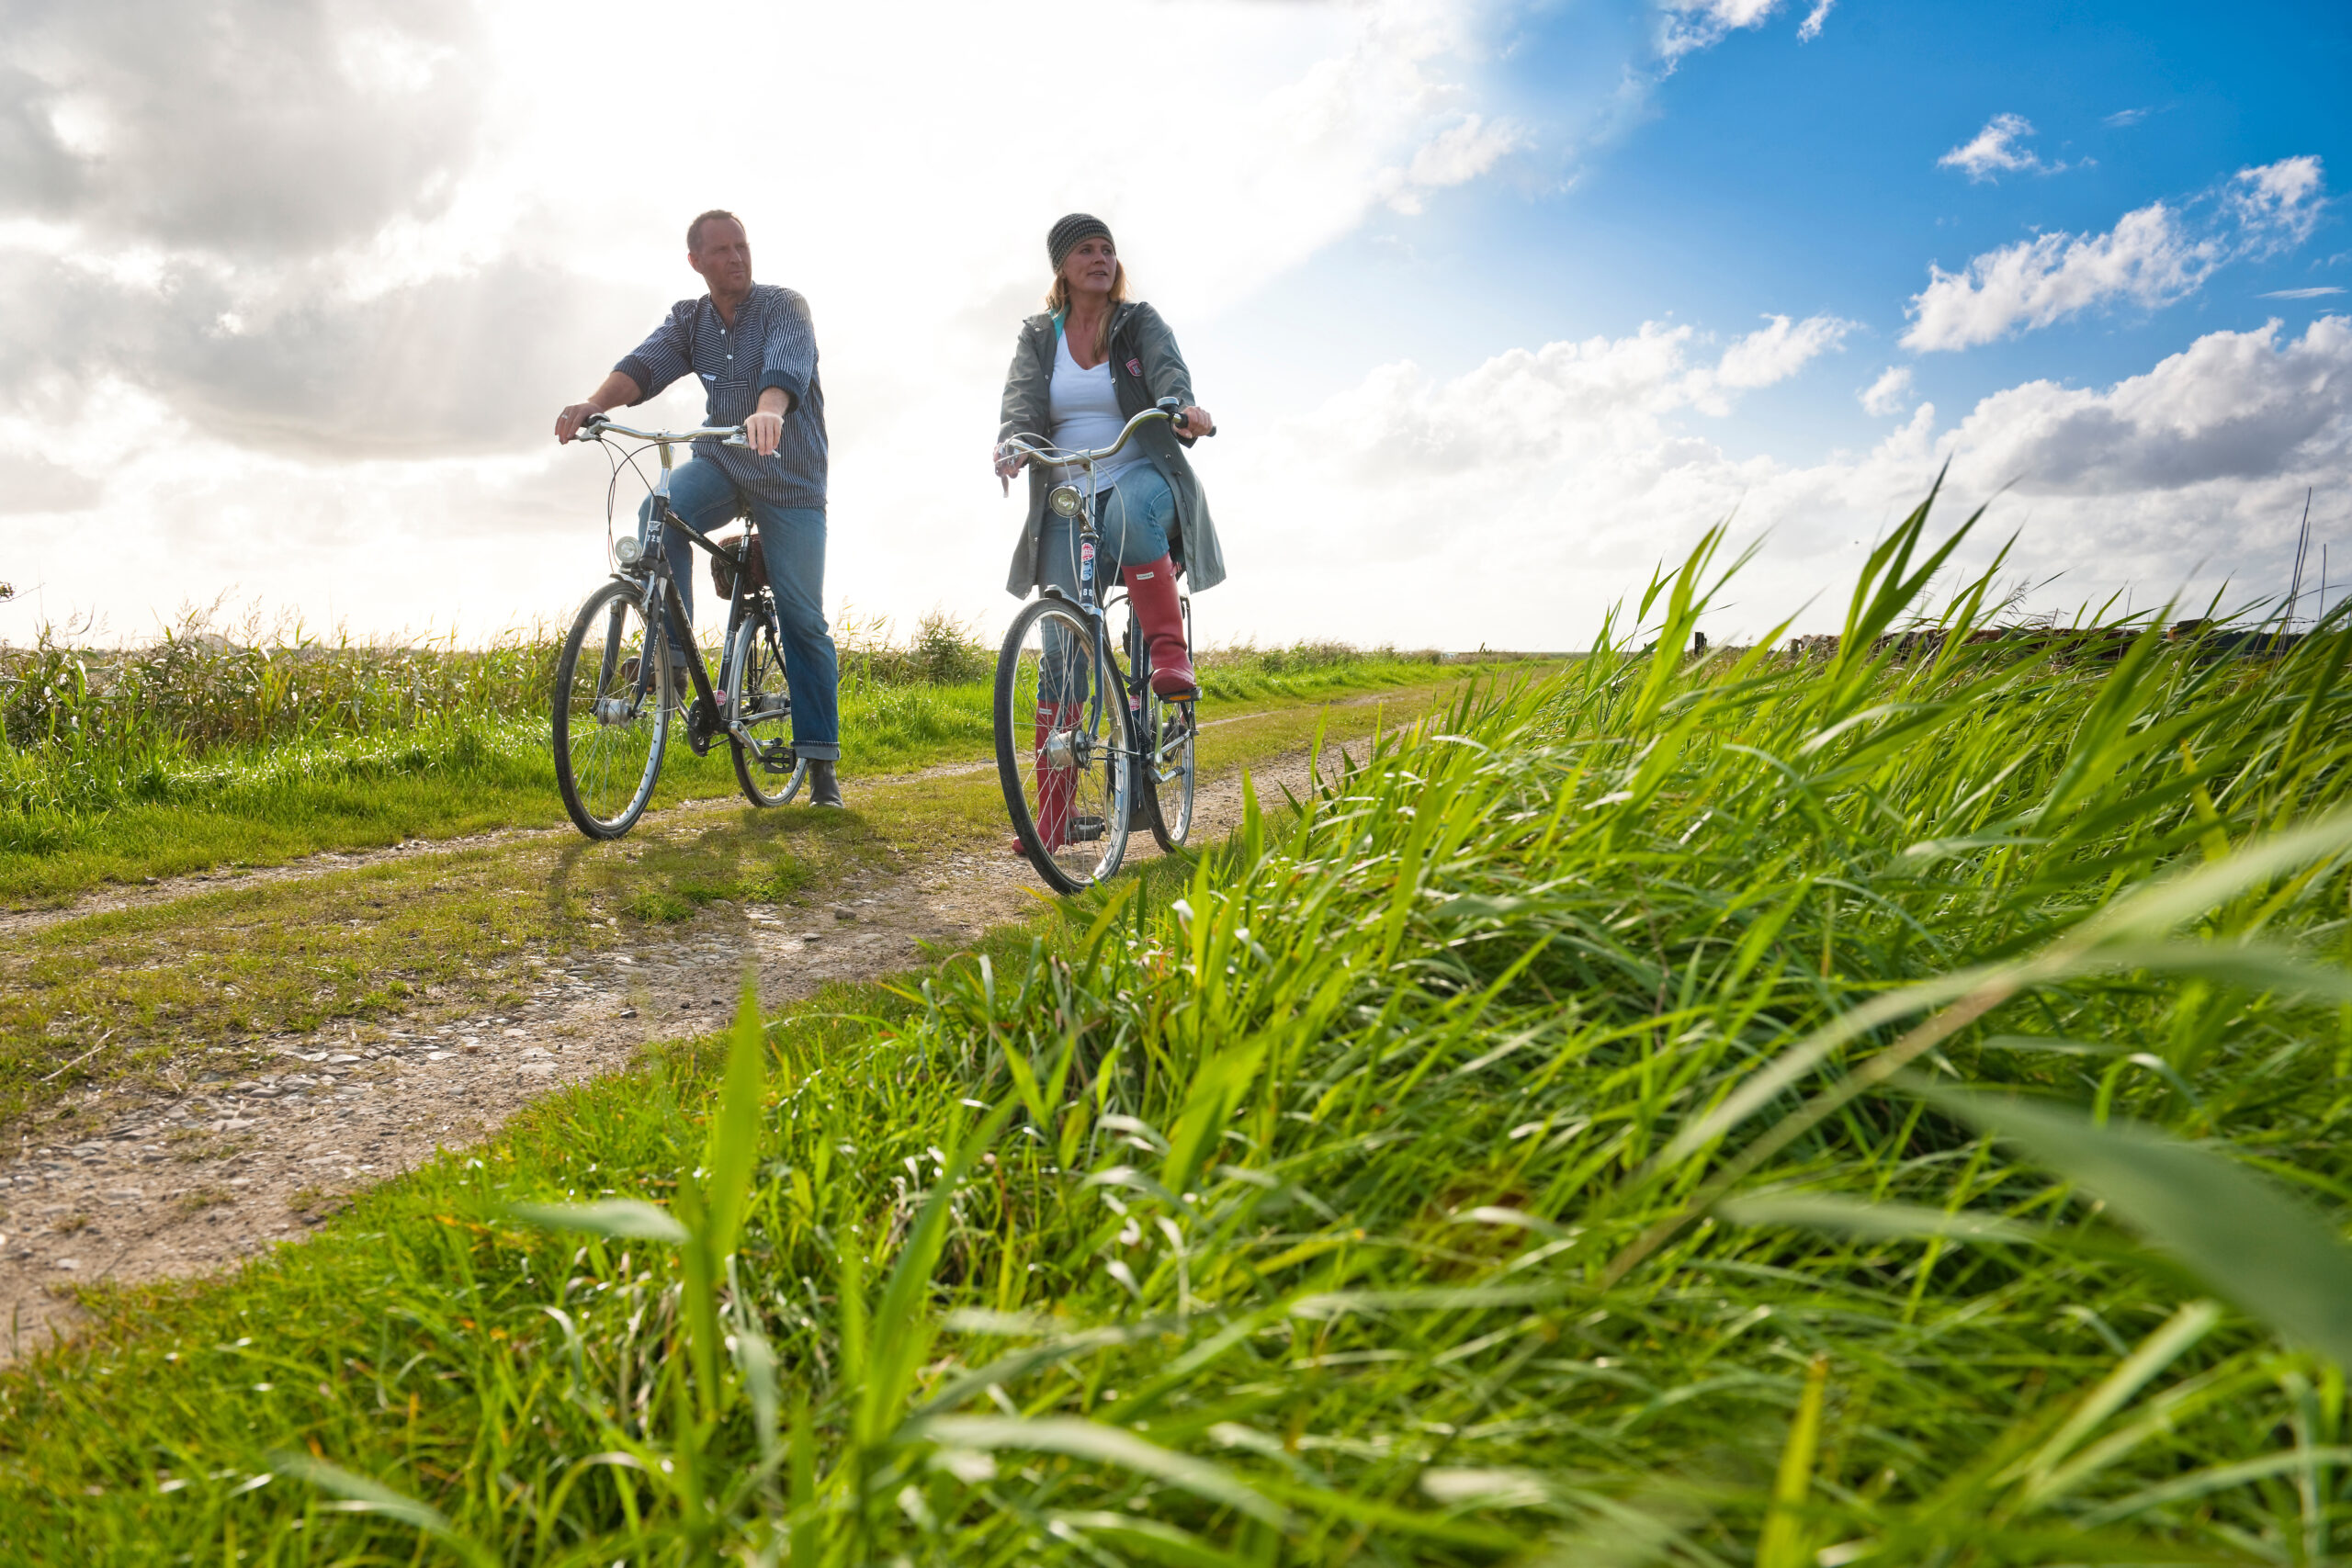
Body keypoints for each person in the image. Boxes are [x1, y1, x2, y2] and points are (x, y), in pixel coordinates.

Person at [555, 209, 844, 807]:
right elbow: (644, 366)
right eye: (722, 250)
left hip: (790, 477)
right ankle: (675, 655)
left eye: (742, 246)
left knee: (801, 618)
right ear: (696, 262)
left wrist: (769, 410)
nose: (736, 257)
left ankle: (820, 766)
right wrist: (593, 403)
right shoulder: (691, 320)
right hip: (724, 460)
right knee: (658, 514)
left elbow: (783, 370)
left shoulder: (785, 306)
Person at [993, 213, 1225, 849]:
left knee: (1125, 508)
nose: (1101, 257)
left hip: (1144, 479)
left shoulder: (1138, 322)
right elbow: (1020, 400)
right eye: (1086, 250)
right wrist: (1012, 440)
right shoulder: (1039, 337)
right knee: (1061, 641)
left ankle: (1168, 655)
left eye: (1107, 249)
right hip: (1069, 498)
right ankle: (1055, 816)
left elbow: (1168, 375)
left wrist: (1181, 408)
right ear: (1062, 267)